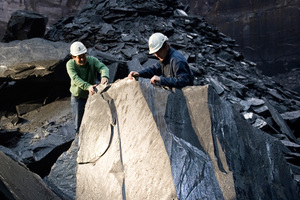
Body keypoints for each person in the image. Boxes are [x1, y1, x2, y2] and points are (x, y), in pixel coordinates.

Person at [66, 41, 109, 133]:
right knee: (79, 122)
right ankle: (79, 140)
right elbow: (75, 78)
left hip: (91, 95)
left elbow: (103, 67)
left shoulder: (92, 60)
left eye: (83, 56)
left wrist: (104, 76)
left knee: (94, 118)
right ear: (73, 57)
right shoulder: (70, 64)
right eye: (79, 57)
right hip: (78, 97)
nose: (82, 59)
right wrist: (88, 86)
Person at [128, 32, 194, 88]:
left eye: (158, 51)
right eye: (155, 53)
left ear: (167, 47)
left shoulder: (177, 60)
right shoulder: (165, 57)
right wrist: (139, 73)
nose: (156, 55)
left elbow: (183, 81)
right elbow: (154, 69)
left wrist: (161, 80)